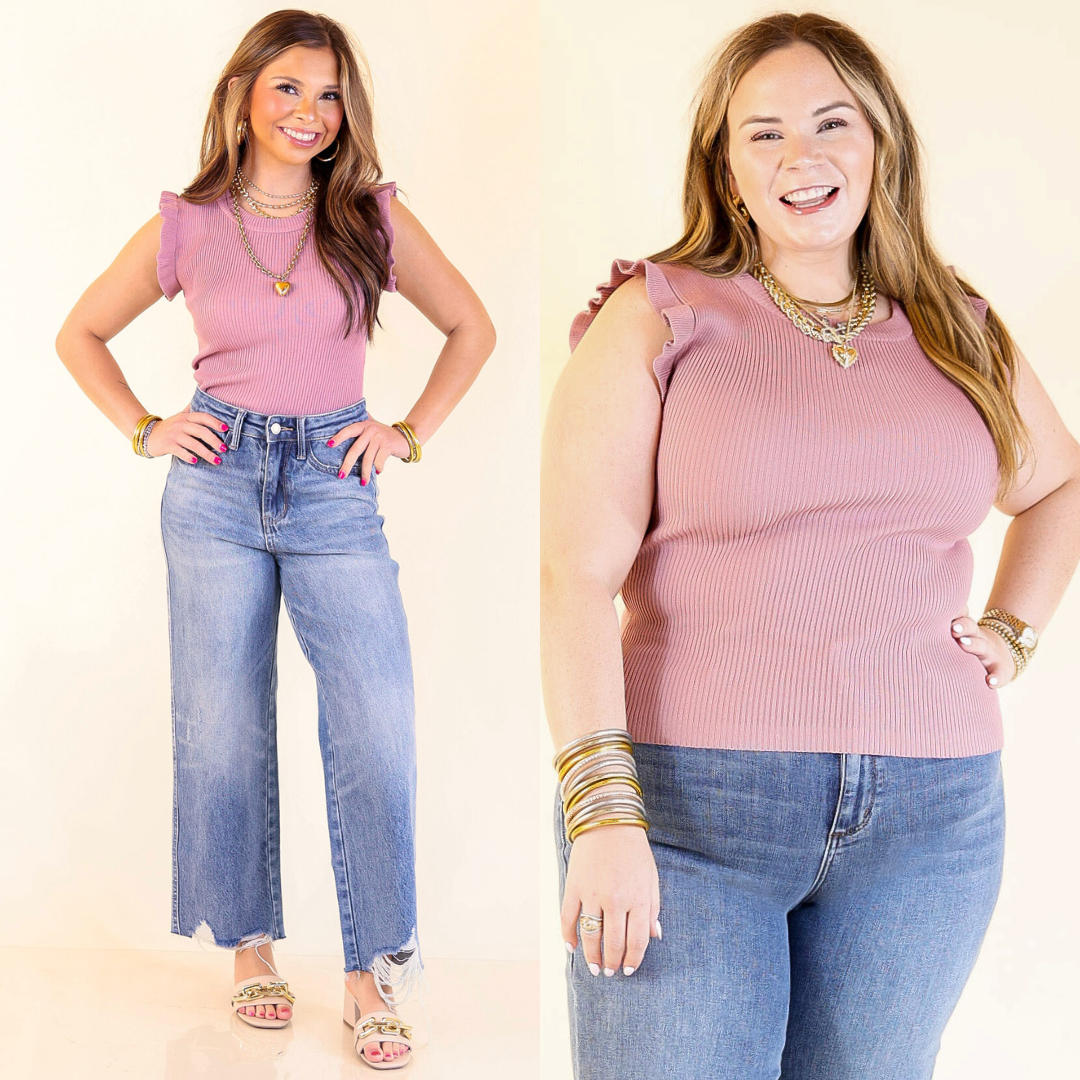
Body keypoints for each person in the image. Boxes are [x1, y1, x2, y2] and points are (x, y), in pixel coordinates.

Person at [540, 12, 1080, 1080]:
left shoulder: (958, 328)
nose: (804, 157)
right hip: (691, 815)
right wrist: (601, 814)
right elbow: (574, 576)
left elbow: (1057, 480)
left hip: (934, 821)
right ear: (726, 168)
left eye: (833, 123)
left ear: (881, 143)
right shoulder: (656, 317)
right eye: (765, 133)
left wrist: (1015, 633)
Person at [55, 9, 494, 1070]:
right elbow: (79, 331)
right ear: (245, 94)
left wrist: (409, 435)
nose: (310, 112)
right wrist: (146, 428)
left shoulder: (371, 216)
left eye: (329, 94)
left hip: (337, 486)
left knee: (375, 724)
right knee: (223, 723)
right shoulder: (190, 221)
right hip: (213, 485)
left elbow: (472, 325)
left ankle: (369, 967)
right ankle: (252, 950)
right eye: (290, 88)